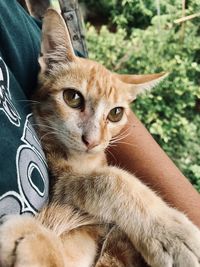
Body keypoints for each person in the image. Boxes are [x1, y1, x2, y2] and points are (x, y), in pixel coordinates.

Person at [0, 0, 199, 229]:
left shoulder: (11, 23)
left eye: (114, 115)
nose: (93, 139)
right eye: (74, 99)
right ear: (50, 64)